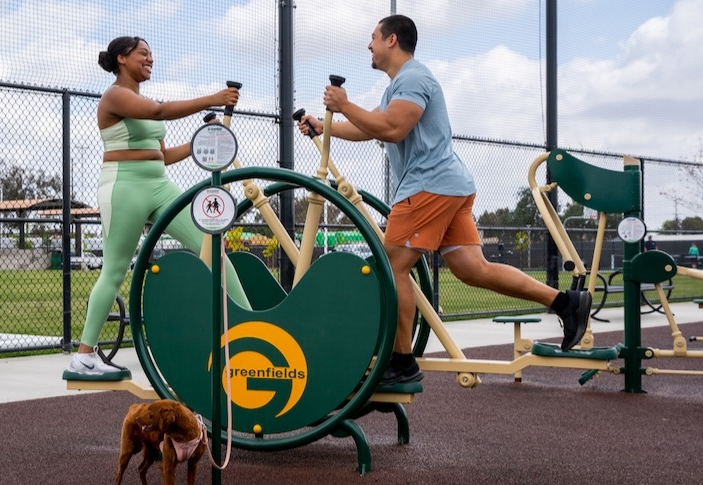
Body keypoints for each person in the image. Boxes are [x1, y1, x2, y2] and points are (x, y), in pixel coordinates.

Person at [297, 15, 592, 385]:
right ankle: (565, 303)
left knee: (392, 266)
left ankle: (402, 361)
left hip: (429, 187)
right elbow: (370, 125)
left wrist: (343, 103)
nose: (368, 46)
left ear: (391, 40)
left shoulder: (414, 78)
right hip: (448, 185)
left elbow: (393, 128)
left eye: (372, 38)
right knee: (473, 269)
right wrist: (327, 126)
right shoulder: (396, 87)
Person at [66, 36, 251, 378]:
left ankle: (252, 327)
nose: (150, 59)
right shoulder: (115, 96)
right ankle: (84, 355)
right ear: (122, 58)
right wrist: (213, 98)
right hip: (124, 186)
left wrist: (201, 138)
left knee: (213, 244)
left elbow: (164, 155)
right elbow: (159, 112)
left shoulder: (142, 99)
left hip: (159, 184)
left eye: (152, 54)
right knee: (115, 269)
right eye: (143, 54)